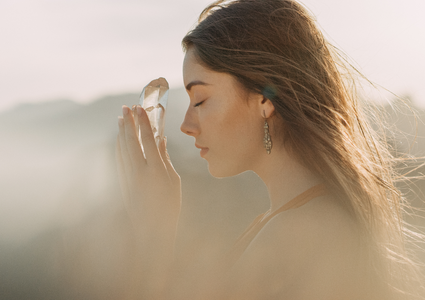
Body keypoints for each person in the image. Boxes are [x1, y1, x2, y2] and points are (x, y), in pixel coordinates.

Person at [116, 0, 424, 299]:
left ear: (265, 97)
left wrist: (154, 237)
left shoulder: (300, 233)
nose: (186, 124)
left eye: (200, 101)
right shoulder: (291, 217)